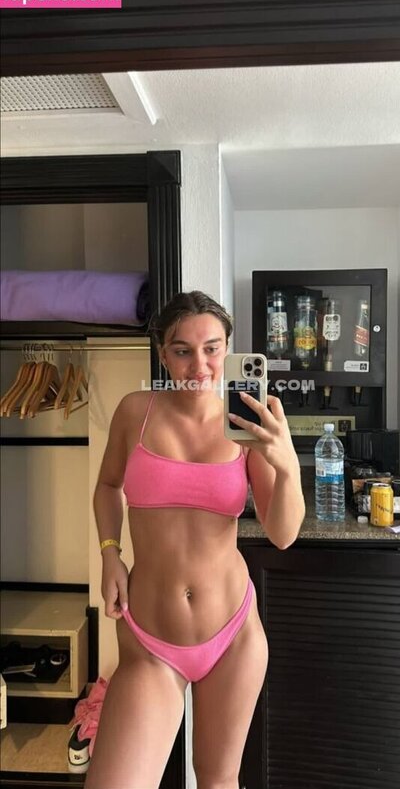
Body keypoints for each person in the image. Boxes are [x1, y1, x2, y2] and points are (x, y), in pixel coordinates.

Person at [84, 290, 305, 789]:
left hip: (232, 634)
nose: (199, 364)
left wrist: (286, 463)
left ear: (228, 350)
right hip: (150, 638)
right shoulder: (135, 411)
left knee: (218, 781)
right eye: (182, 350)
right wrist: (110, 554)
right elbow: (107, 486)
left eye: (212, 348)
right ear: (163, 354)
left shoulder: (246, 422)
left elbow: (283, 534)